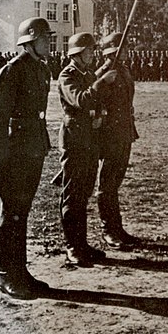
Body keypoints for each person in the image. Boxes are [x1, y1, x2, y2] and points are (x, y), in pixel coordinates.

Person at [0, 17, 53, 300]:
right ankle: (7, 276)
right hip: (14, 152)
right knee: (11, 212)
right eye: (44, 39)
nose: (48, 43)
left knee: (22, 212)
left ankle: (20, 271)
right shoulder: (12, 71)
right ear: (30, 41)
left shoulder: (41, 69)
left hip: (33, 149)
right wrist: (1, 157)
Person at [58, 32, 117, 267]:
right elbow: (81, 100)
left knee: (83, 193)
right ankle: (72, 246)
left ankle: (82, 244)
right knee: (72, 195)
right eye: (89, 51)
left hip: (90, 140)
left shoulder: (88, 73)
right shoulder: (67, 76)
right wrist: (102, 83)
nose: (93, 54)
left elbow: (96, 102)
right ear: (77, 54)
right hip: (75, 141)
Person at [96, 32, 139, 249]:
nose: (128, 51)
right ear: (113, 50)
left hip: (124, 132)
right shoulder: (104, 73)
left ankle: (117, 228)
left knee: (116, 181)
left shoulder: (123, 71)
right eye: (124, 48)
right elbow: (95, 99)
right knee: (107, 183)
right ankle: (108, 230)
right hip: (111, 134)